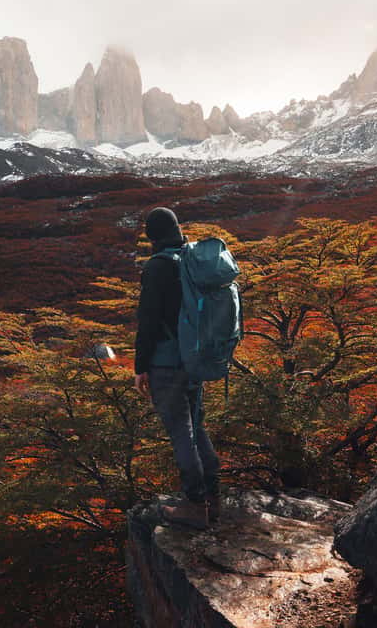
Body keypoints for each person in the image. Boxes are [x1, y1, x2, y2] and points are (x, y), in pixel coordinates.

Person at [134, 207, 220, 529]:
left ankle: (195, 505)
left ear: (151, 236)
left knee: (181, 432)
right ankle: (213, 498)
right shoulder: (192, 260)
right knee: (197, 426)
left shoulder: (158, 267)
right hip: (195, 359)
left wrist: (141, 367)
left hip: (166, 363)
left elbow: (149, 321)